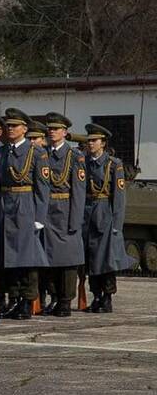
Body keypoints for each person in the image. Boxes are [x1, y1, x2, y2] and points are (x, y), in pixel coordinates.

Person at [0, 108, 50, 320]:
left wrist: (39, 217)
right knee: (9, 258)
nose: (10, 129)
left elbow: (43, 187)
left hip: (26, 205)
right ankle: (14, 298)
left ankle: (27, 300)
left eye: (14, 126)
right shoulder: (0, 153)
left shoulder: (36, 153)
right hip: (5, 205)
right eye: (8, 125)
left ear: (24, 129)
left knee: (27, 258)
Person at [82, 123, 133, 312]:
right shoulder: (85, 162)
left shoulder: (113, 164)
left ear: (103, 143)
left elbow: (119, 198)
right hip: (88, 213)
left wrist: (117, 225)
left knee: (106, 259)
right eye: (89, 141)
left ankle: (107, 297)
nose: (91, 144)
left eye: (94, 140)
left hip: (105, 213)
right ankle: (96, 296)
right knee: (91, 258)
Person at [41, 112, 86, 317]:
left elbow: (79, 191)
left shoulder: (74, 156)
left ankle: (65, 300)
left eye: (56, 129)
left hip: (65, 210)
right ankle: (54, 297)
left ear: (65, 132)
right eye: (50, 128)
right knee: (49, 259)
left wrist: (75, 221)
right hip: (47, 212)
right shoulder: (43, 154)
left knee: (67, 260)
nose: (52, 132)